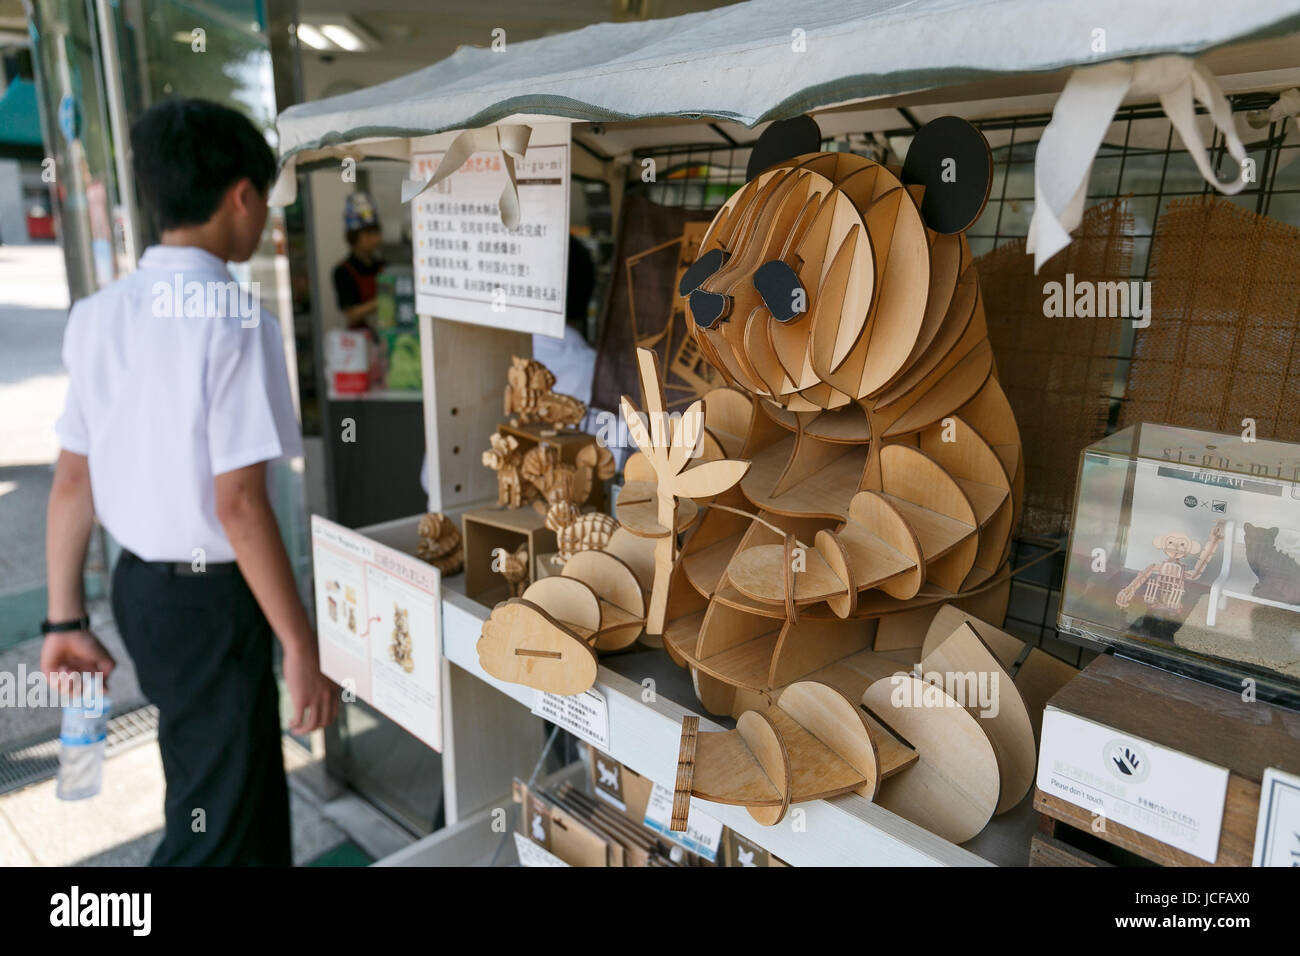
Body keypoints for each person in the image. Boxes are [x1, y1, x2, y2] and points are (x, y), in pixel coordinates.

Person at [42, 98, 337, 866]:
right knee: (223, 823)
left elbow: (73, 482)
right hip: (211, 603)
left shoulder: (99, 314)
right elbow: (237, 506)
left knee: (214, 789)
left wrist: (61, 621)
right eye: (264, 202)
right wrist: (300, 643)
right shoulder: (234, 320)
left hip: (142, 592)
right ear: (240, 196)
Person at [332, 192, 384, 342]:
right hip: (360, 342)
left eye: (375, 232)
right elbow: (351, 314)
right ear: (354, 236)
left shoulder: (382, 266)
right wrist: (381, 302)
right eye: (368, 233)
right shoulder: (343, 271)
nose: (374, 238)